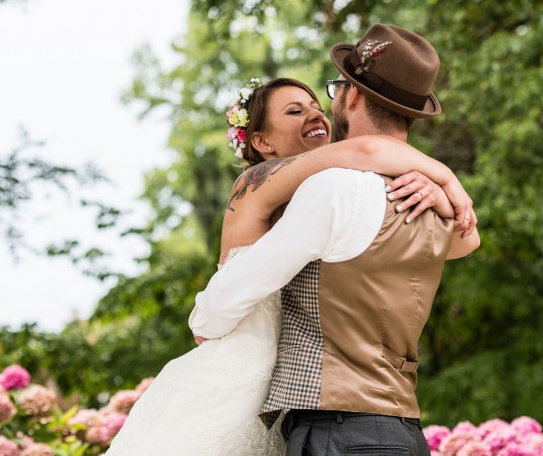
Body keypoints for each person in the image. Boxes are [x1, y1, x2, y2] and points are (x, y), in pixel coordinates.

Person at [107, 72, 475, 454]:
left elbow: (462, 239)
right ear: (261, 141)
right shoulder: (260, 180)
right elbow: (366, 151)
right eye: (295, 111)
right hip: (244, 372)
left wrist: (435, 194)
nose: (315, 116)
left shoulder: (340, 192)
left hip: (295, 401)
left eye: (317, 107)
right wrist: (447, 180)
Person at [189, 24, 480, 456]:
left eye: (334, 89)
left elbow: (233, 293)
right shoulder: (434, 205)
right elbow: (467, 242)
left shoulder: (332, 189)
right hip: (404, 431)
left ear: (354, 95)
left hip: (339, 431)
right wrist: (445, 186)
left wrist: (204, 320)